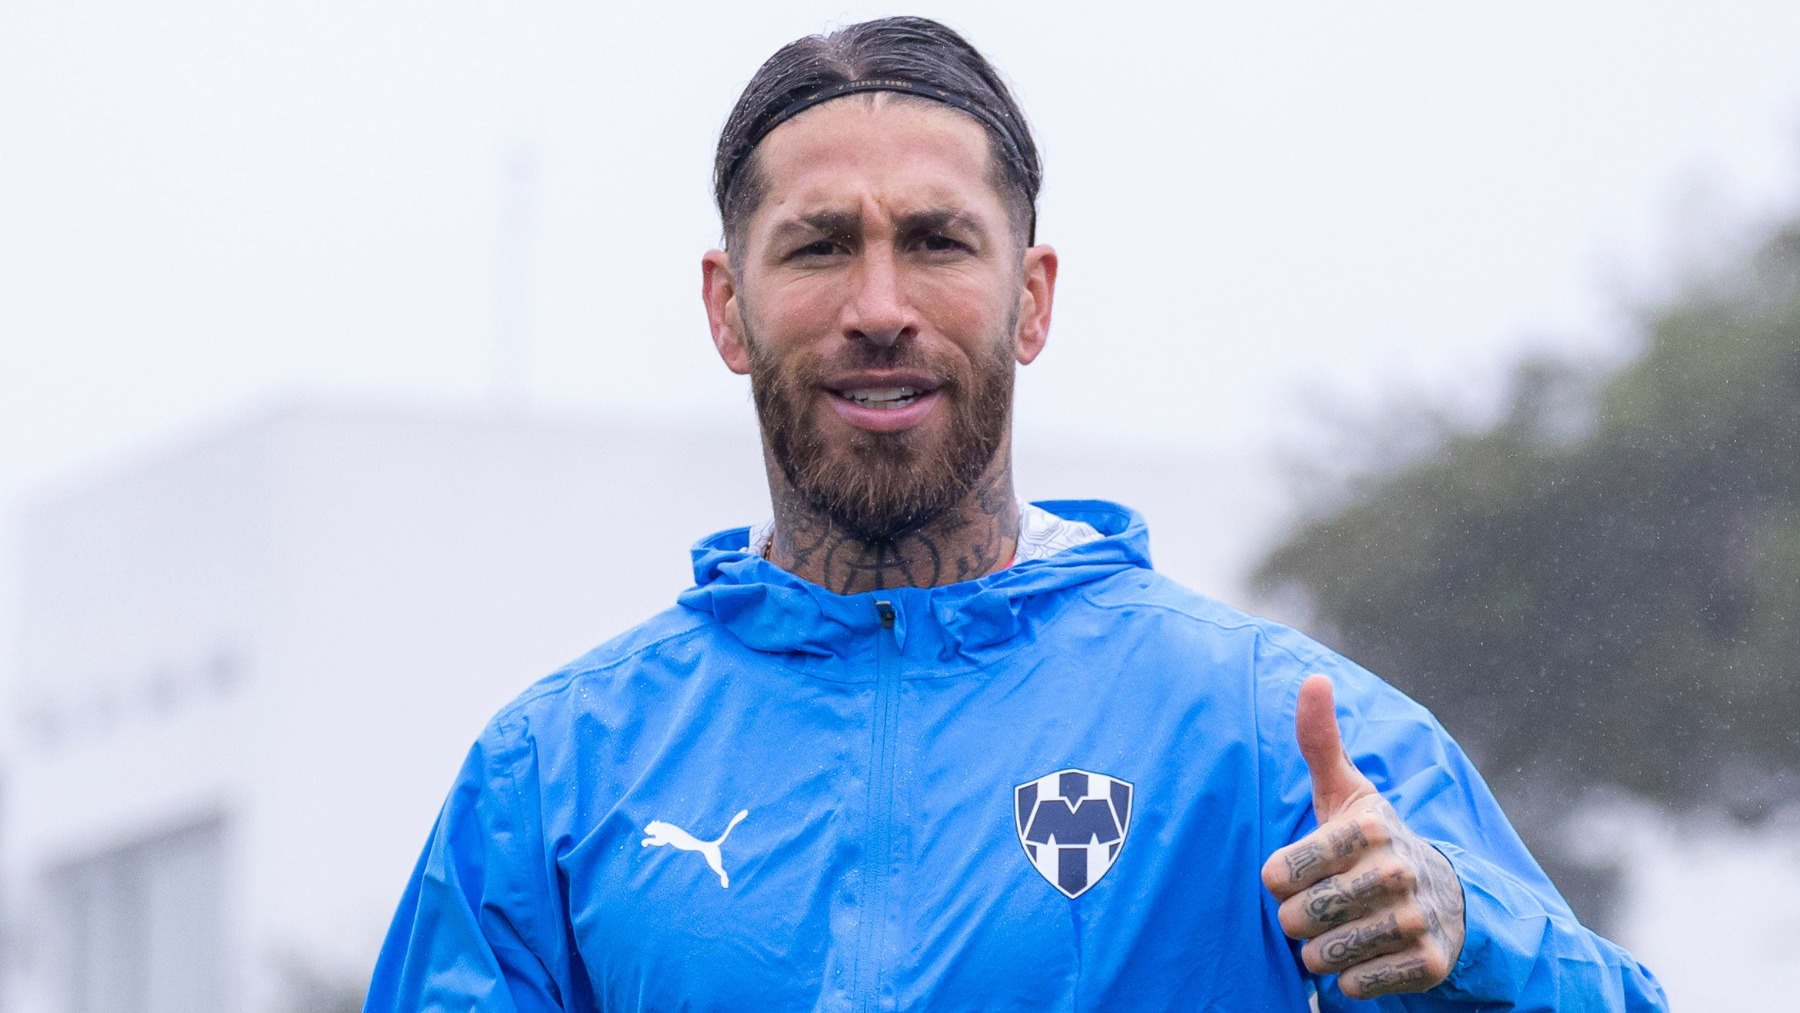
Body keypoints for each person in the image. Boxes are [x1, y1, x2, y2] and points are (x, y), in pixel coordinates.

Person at [364, 17, 1667, 1012]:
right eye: (821, 246)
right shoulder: (556, 776)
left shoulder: (1258, 733)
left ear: (1031, 297)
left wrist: (1471, 940)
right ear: (727, 306)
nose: (882, 303)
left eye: (937, 240)